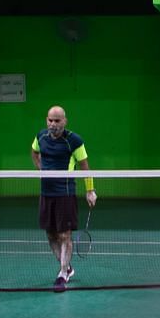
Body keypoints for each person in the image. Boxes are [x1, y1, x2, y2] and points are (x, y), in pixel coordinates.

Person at [32, 105, 96, 292]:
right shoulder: (41, 137)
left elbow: (85, 166)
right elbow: (34, 152)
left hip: (65, 193)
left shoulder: (74, 141)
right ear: (46, 120)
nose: (53, 124)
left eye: (57, 121)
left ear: (64, 121)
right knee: (51, 234)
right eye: (50, 120)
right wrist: (41, 168)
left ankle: (62, 273)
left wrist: (90, 190)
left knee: (64, 234)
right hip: (46, 192)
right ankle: (67, 267)